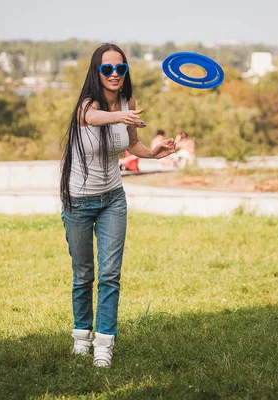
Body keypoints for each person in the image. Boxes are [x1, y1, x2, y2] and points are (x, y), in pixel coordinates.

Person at [59, 43, 175, 367]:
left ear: (126, 72)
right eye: (107, 68)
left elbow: (132, 143)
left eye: (120, 68)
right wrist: (118, 115)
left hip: (113, 198)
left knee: (110, 275)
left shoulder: (128, 103)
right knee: (83, 275)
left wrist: (155, 152)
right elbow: (90, 117)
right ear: (97, 72)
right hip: (79, 201)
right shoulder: (87, 106)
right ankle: (81, 337)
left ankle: (103, 345)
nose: (114, 74)